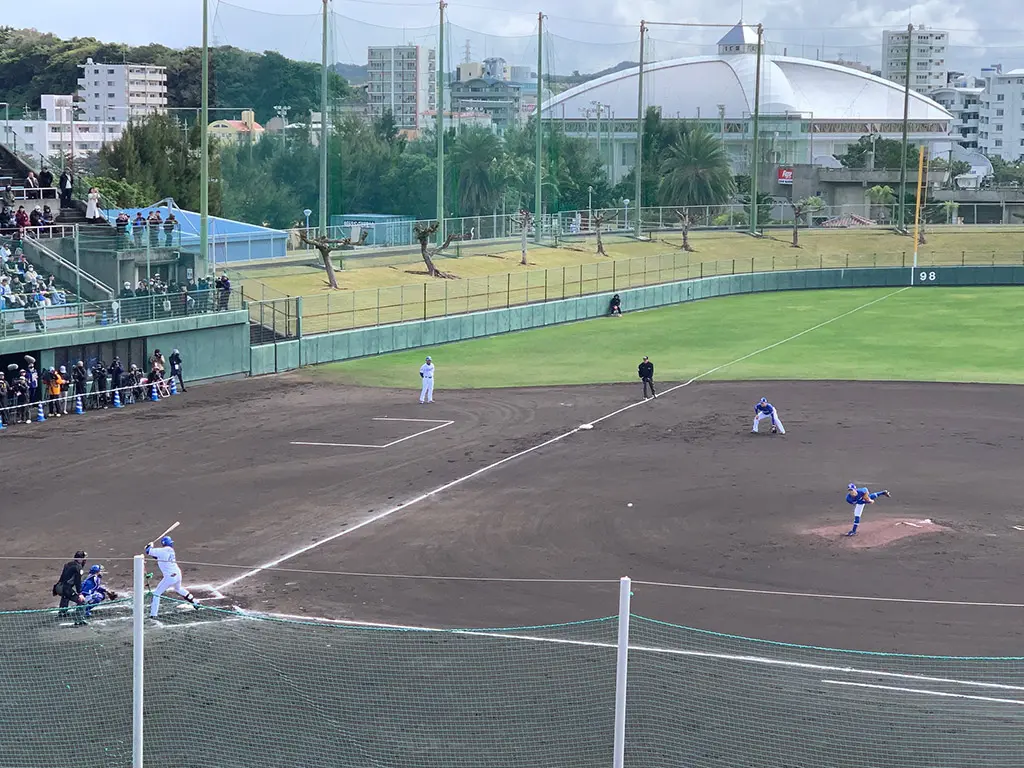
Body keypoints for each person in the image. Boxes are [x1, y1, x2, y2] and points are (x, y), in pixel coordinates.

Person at [144, 536, 199, 618]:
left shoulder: (162, 551)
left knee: (157, 593)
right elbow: (156, 556)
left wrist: (149, 546)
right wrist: (149, 548)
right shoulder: (170, 551)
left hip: (170, 577)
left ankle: (153, 615)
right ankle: (195, 601)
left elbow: (149, 551)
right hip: (177, 574)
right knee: (178, 588)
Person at [53, 550, 89, 625]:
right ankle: (79, 620)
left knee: (66, 596)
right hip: (64, 589)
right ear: (80, 559)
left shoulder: (68, 564)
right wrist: (80, 593)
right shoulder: (78, 568)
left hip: (58, 587)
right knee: (82, 601)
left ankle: (62, 613)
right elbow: (77, 581)